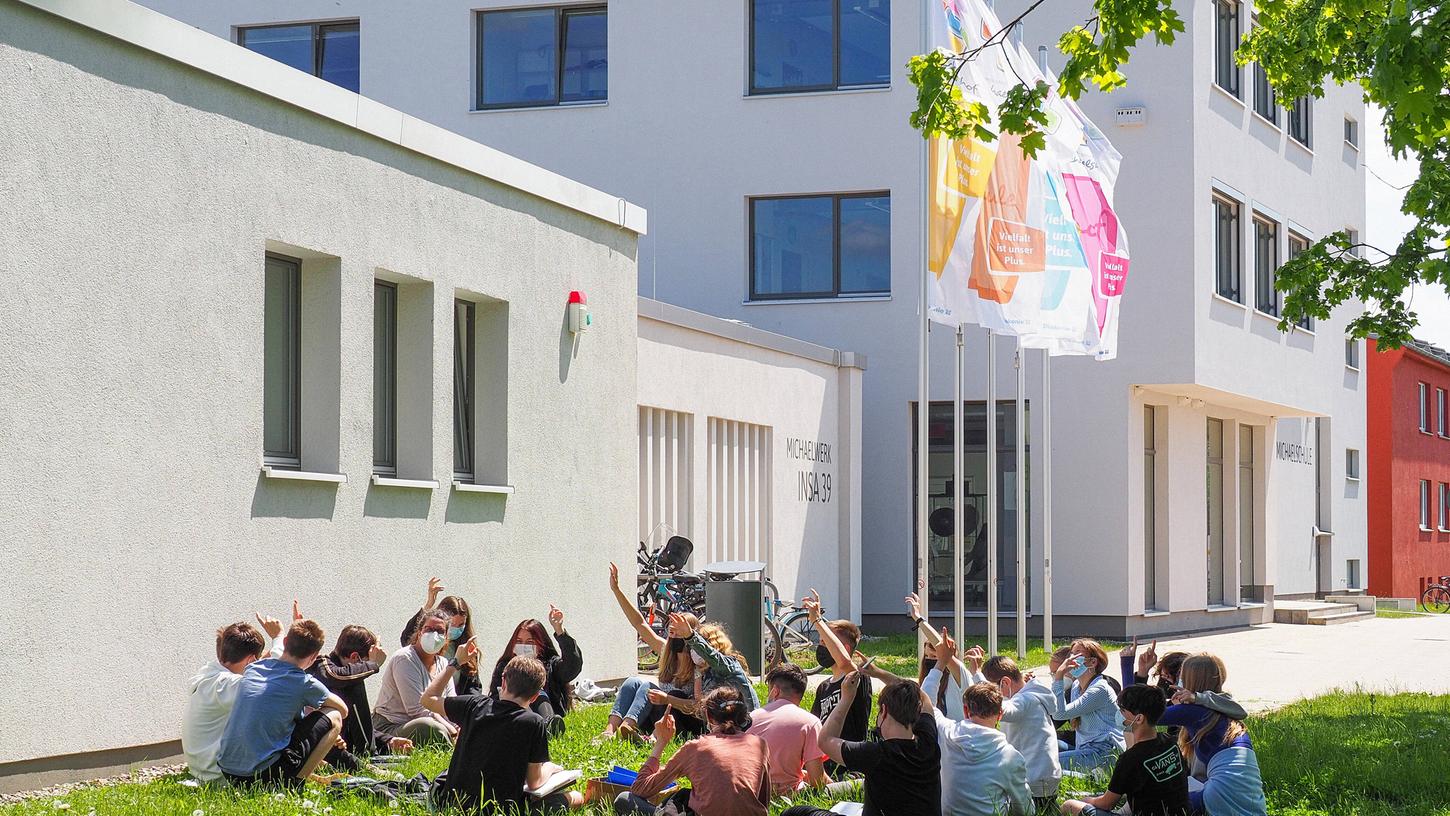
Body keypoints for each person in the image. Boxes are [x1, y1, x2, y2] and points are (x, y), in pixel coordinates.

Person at [423, 648, 584, 814]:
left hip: (453, 804)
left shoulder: (474, 705)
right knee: (575, 797)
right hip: (500, 810)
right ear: (536, 696)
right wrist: (549, 767)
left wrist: (454, 664)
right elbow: (534, 782)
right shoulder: (533, 722)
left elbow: (427, 699)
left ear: (504, 682)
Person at [785, 668, 941, 816]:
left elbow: (825, 741)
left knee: (795, 812)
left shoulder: (875, 754)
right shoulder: (929, 743)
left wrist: (847, 698)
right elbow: (924, 697)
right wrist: (881, 674)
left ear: (884, 711)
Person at [216, 619, 348, 788]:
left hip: (229, 771)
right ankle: (297, 782)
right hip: (262, 775)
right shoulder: (304, 682)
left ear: (285, 642)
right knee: (334, 716)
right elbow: (342, 710)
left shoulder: (253, 668)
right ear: (314, 657)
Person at [922, 631, 1033, 816]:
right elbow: (1026, 810)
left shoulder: (946, 732)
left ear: (966, 711)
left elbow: (925, 701)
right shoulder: (1011, 757)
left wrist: (941, 662)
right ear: (999, 715)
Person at [616, 686, 771, 816]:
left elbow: (640, 789)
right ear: (744, 715)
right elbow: (762, 800)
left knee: (624, 799)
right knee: (685, 795)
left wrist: (661, 743)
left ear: (709, 717)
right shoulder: (760, 744)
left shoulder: (696, 747)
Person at [600, 562, 699, 743]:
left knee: (648, 686)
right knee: (632, 681)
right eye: (672, 624)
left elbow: (696, 706)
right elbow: (639, 624)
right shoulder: (666, 650)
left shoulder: (697, 659)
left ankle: (628, 727)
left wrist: (667, 698)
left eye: (678, 626)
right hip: (655, 712)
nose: (672, 628)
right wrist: (616, 590)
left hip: (677, 719)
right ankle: (609, 731)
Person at [183, 613, 286, 783]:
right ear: (251, 660)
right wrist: (278, 637)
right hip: (222, 777)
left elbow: (259, 668)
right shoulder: (227, 684)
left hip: (204, 770)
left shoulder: (209, 676)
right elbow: (273, 673)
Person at [1059, 685, 1190, 816]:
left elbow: (1107, 804)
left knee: (1069, 805)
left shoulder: (1131, 758)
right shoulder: (1170, 742)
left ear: (1139, 718)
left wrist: (1087, 800)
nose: (1118, 714)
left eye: (1122, 710)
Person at [1161, 654, 1266, 816]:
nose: (1178, 682)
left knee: (1155, 803)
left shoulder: (1194, 711)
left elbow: (1137, 713)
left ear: (1190, 681)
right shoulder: (1224, 707)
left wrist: (1136, 671)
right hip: (1251, 798)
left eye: (1182, 677)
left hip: (1220, 794)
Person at [309, 624, 412, 767]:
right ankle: (367, 755)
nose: (363, 671)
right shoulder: (323, 665)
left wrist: (388, 740)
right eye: (364, 662)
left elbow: (358, 722)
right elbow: (337, 676)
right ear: (355, 657)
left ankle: (371, 753)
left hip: (351, 748)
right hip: (330, 749)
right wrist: (373, 664)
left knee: (405, 763)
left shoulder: (348, 676)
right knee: (354, 682)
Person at [979, 654, 1062, 811]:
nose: (991, 696)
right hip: (1041, 778)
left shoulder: (1026, 701)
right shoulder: (1029, 695)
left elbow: (1003, 710)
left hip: (1035, 782)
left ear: (1005, 683)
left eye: (991, 691)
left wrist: (977, 680)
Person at [806, 590, 873, 775]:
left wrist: (818, 620)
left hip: (849, 764)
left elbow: (845, 663)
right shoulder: (823, 686)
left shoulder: (856, 678)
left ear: (843, 648)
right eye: (820, 641)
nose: (821, 647)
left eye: (826, 642)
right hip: (825, 763)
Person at [487, 607, 582, 734]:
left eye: (530, 642)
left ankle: (549, 725)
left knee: (535, 687)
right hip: (513, 712)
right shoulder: (506, 666)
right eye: (520, 642)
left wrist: (559, 631)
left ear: (540, 645)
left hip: (545, 711)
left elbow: (572, 667)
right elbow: (494, 696)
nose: (524, 646)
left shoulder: (550, 664)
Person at [374, 609, 457, 747]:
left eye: (440, 631)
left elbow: (450, 702)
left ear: (446, 638)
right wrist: (452, 730)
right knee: (431, 727)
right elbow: (417, 710)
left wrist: (458, 725)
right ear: (419, 632)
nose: (434, 634)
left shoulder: (443, 663)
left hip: (435, 721)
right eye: (428, 629)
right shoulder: (405, 659)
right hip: (391, 726)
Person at [748, 663, 829, 796]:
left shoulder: (751, 717)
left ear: (775, 691)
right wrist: (835, 786)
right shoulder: (810, 722)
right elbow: (817, 781)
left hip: (752, 794)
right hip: (789, 796)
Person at [1052, 639, 1125, 774]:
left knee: (1048, 764)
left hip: (1105, 752)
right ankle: (1088, 774)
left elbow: (1059, 714)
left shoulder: (1099, 689)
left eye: (1078, 654)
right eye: (1071, 654)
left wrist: (1059, 676)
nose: (1071, 659)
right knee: (1046, 747)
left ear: (1093, 662)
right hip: (1085, 748)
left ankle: (1092, 777)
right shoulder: (1076, 687)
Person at [401, 577, 481, 694]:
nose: (456, 629)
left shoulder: (466, 648)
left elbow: (473, 687)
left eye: (461, 624)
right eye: (452, 624)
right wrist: (428, 607)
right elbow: (407, 639)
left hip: (453, 707)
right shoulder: (430, 641)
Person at [1120, 639, 1190, 701]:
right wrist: (1142, 672)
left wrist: (1127, 665)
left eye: (1169, 676)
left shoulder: (1194, 701)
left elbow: (1131, 704)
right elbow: (1137, 703)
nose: (1169, 683)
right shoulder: (1165, 688)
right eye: (1164, 676)